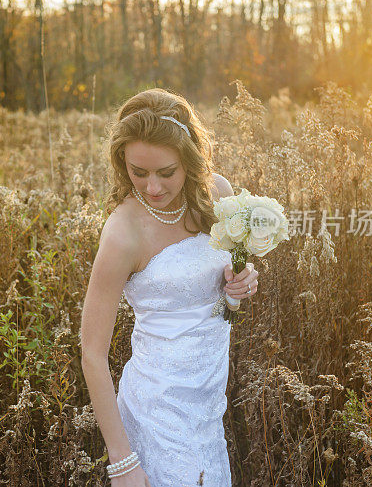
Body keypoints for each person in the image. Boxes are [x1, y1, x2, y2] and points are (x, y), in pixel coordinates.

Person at [80, 88, 259, 486]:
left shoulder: (219, 197)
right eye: (137, 172)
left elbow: (225, 305)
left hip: (208, 407)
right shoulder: (123, 234)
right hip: (156, 409)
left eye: (166, 172)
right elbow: (92, 354)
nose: (153, 188)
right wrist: (122, 462)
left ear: (190, 160)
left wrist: (238, 287)